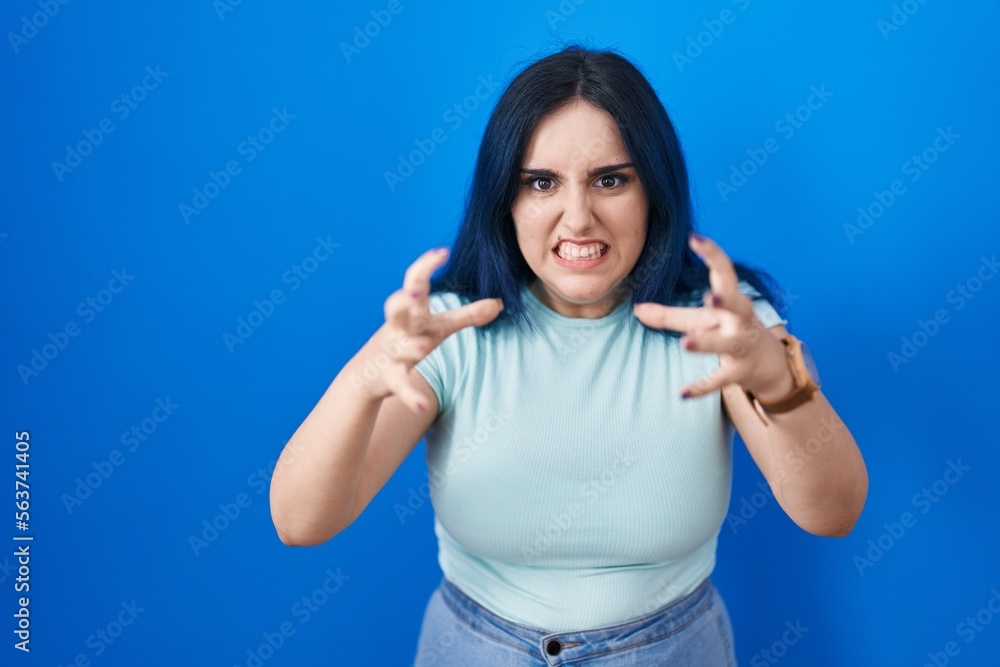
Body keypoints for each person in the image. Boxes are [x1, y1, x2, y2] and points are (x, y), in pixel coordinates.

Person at [268, 44, 869, 666]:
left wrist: (783, 389)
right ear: (506, 199)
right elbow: (300, 521)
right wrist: (366, 374)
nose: (577, 218)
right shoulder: (444, 327)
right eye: (541, 182)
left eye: (610, 179)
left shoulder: (722, 323)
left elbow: (833, 512)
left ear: (653, 192)